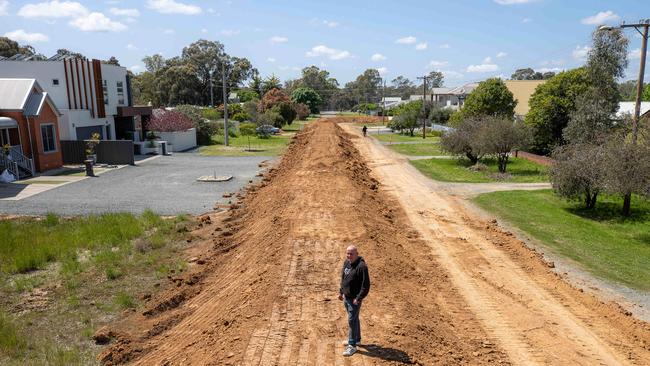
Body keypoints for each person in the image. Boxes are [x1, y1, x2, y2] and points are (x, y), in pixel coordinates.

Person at [338, 245, 370, 357]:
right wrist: (341, 291)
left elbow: (365, 285)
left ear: (357, 254)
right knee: (354, 318)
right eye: (347, 253)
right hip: (347, 297)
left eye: (351, 254)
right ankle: (356, 339)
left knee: (351, 320)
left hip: (355, 300)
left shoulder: (362, 267)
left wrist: (359, 298)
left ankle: (352, 346)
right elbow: (344, 278)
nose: (349, 256)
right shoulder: (346, 262)